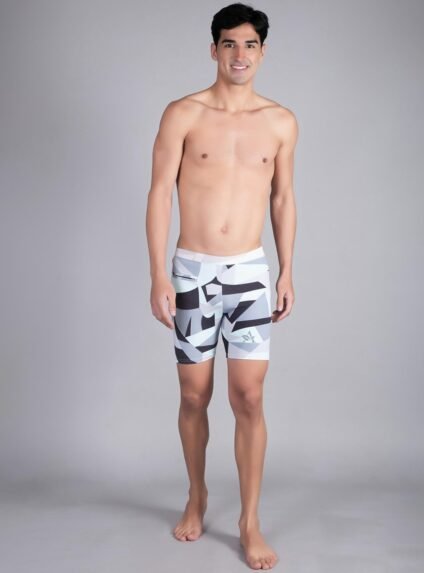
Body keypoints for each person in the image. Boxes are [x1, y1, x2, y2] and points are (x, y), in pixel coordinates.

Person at [146, 2, 298, 570]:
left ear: (262, 52)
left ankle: (249, 521)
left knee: (249, 397)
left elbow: (282, 197)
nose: (240, 55)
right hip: (192, 272)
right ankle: (197, 495)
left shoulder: (280, 122)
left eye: (249, 44)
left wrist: (286, 270)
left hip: (250, 275)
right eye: (229, 44)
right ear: (214, 50)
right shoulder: (183, 113)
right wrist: (158, 273)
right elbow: (159, 192)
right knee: (193, 394)